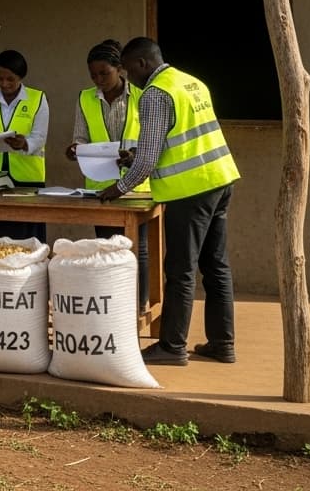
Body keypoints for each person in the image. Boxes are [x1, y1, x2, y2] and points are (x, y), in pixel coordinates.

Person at [99, 37, 240, 366]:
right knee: (216, 267)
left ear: (142, 64)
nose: (127, 77)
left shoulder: (155, 93)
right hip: (219, 179)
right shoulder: (190, 82)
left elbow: (147, 161)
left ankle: (172, 347)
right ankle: (223, 344)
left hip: (189, 191)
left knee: (180, 270)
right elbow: (177, 139)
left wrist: (117, 188)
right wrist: (135, 156)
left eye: (128, 69)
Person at [65, 39, 150, 308]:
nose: (98, 79)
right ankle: (112, 303)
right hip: (100, 186)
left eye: (104, 73)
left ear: (120, 69)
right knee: (105, 246)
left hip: (137, 185)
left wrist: (134, 155)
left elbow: (151, 137)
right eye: (93, 75)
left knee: (138, 248)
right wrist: (75, 149)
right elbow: (80, 136)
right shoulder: (85, 98)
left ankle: (139, 304)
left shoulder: (141, 95)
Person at [0, 49, 49, 242]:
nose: (5, 84)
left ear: (21, 77)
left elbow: (40, 137)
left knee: (27, 237)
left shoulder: (37, 99)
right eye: (0, 78)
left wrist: (25, 143)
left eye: (10, 79)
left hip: (27, 179)